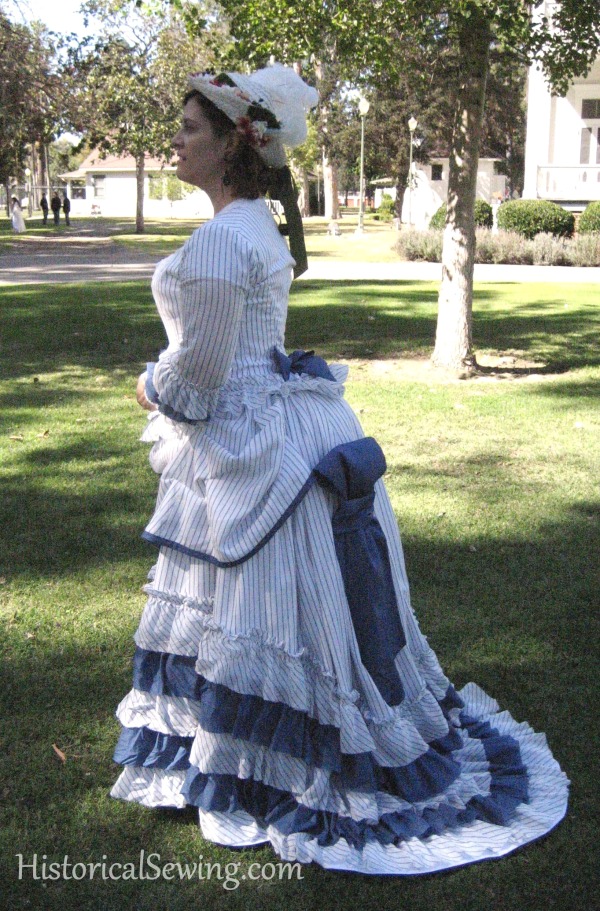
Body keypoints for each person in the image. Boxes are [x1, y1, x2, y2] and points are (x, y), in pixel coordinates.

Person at [110, 64, 568, 875]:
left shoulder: (224, 237)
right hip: (280, 428)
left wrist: (149, 386)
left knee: (255, 608)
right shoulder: (255, 222)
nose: (175, 140)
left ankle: (275, 762)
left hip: (250, 445)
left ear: (231, 145)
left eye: (189, 128)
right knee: (275, 609)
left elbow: (201, 374)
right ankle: (272, 737)